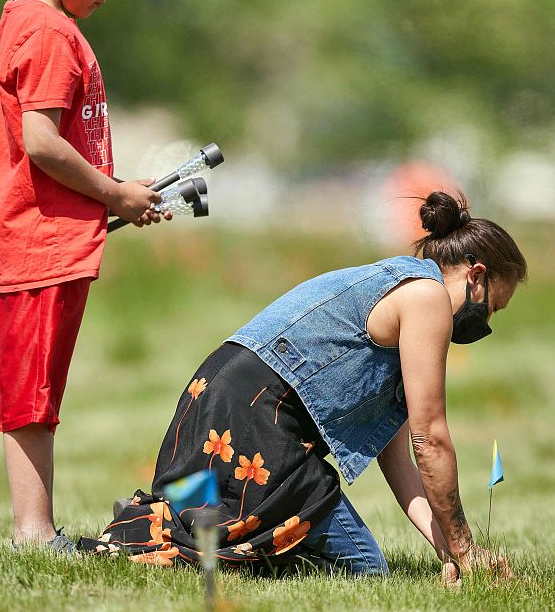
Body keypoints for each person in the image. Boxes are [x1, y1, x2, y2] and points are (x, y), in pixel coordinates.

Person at [77, 191, 527, 581]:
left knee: (281, 545)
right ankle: (157, 538)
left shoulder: (400, 282)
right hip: (258, 419)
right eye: (494, 308)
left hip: (220, 396)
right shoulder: (426, 298)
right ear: (476, 275)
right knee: (363, 571)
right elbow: (429, 437)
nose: (486, 323)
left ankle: (164, 528)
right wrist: (469, 548)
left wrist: (447, 548)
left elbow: (396, 454)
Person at [0, 0, 166, 552]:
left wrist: (115, 194)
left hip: (39, 240)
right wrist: (115, 195)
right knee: (32, 398)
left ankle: (36, 526)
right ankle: (34, 533)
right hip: (40, 244)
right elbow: (42, 142)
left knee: (33, 393)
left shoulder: (27, 22)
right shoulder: (51, 33)